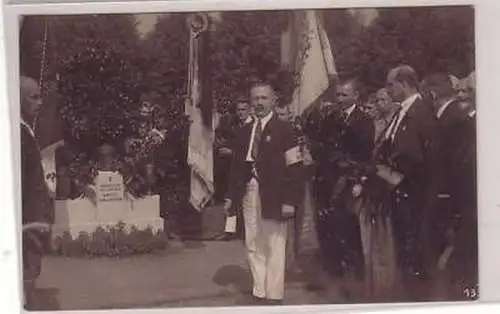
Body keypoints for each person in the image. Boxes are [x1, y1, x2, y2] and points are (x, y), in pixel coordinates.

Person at [224, 80, 302, 305]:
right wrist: (230, 195)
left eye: (263, 98)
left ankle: (274, 294)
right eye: (255, 99)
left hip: (275, 194)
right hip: (249, 191)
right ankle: (259, 289)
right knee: (252, 240)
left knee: (274, 242)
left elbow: (295, 169)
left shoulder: (286, 130)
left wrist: (290, 201)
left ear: (273, 100)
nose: (259, 103)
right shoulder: (244, 131)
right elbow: (236, 166)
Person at [369, 65, 439, 300]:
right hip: (399, 194)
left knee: (415, 256)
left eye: (391, 85)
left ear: (404, 84)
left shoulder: (421, 112)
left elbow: (422, 159)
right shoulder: (401, 112)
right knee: (404, 255)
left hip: (414, 197)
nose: (388, 90)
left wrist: (392, 176)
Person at [420, 73, 477, 300]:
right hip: (446, 199)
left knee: (451, 261)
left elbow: (457, 167)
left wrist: (445, 199)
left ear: (432, 95)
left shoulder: (454, 120)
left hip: (450, 201)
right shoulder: (451, 118)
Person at [314, 78, 374, 278]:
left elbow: (365, 154)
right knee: (330, 227)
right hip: (329, 181)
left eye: (344, 95)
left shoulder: (364, 121)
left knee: (350, 228)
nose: (339, 99)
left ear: (356, 95)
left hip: (350, 182)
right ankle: (334, 272)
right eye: (338, 95)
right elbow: (322, 146)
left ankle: (356, 274)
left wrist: (357, 179)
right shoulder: (330, 118)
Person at [20, 76, 54, 308]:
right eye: (34, 97)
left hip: (33, 221)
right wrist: (32, 222)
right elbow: (21, 183)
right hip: (27, 224)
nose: (40, 102)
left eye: (40, 96)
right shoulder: (19, 134)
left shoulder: (25, 130)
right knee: (26, 281)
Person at [215, 99, 253, 241]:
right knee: (231, 195)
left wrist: (232, 152)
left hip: (247, 167)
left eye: (243, 110)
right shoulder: (237, 126)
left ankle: (246, 230)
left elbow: (251, 150)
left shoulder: (253, 127)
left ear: (249, 110)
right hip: (234, 166)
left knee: (246, 197)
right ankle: (229, 230)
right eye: (239, 110)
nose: (241, 113)